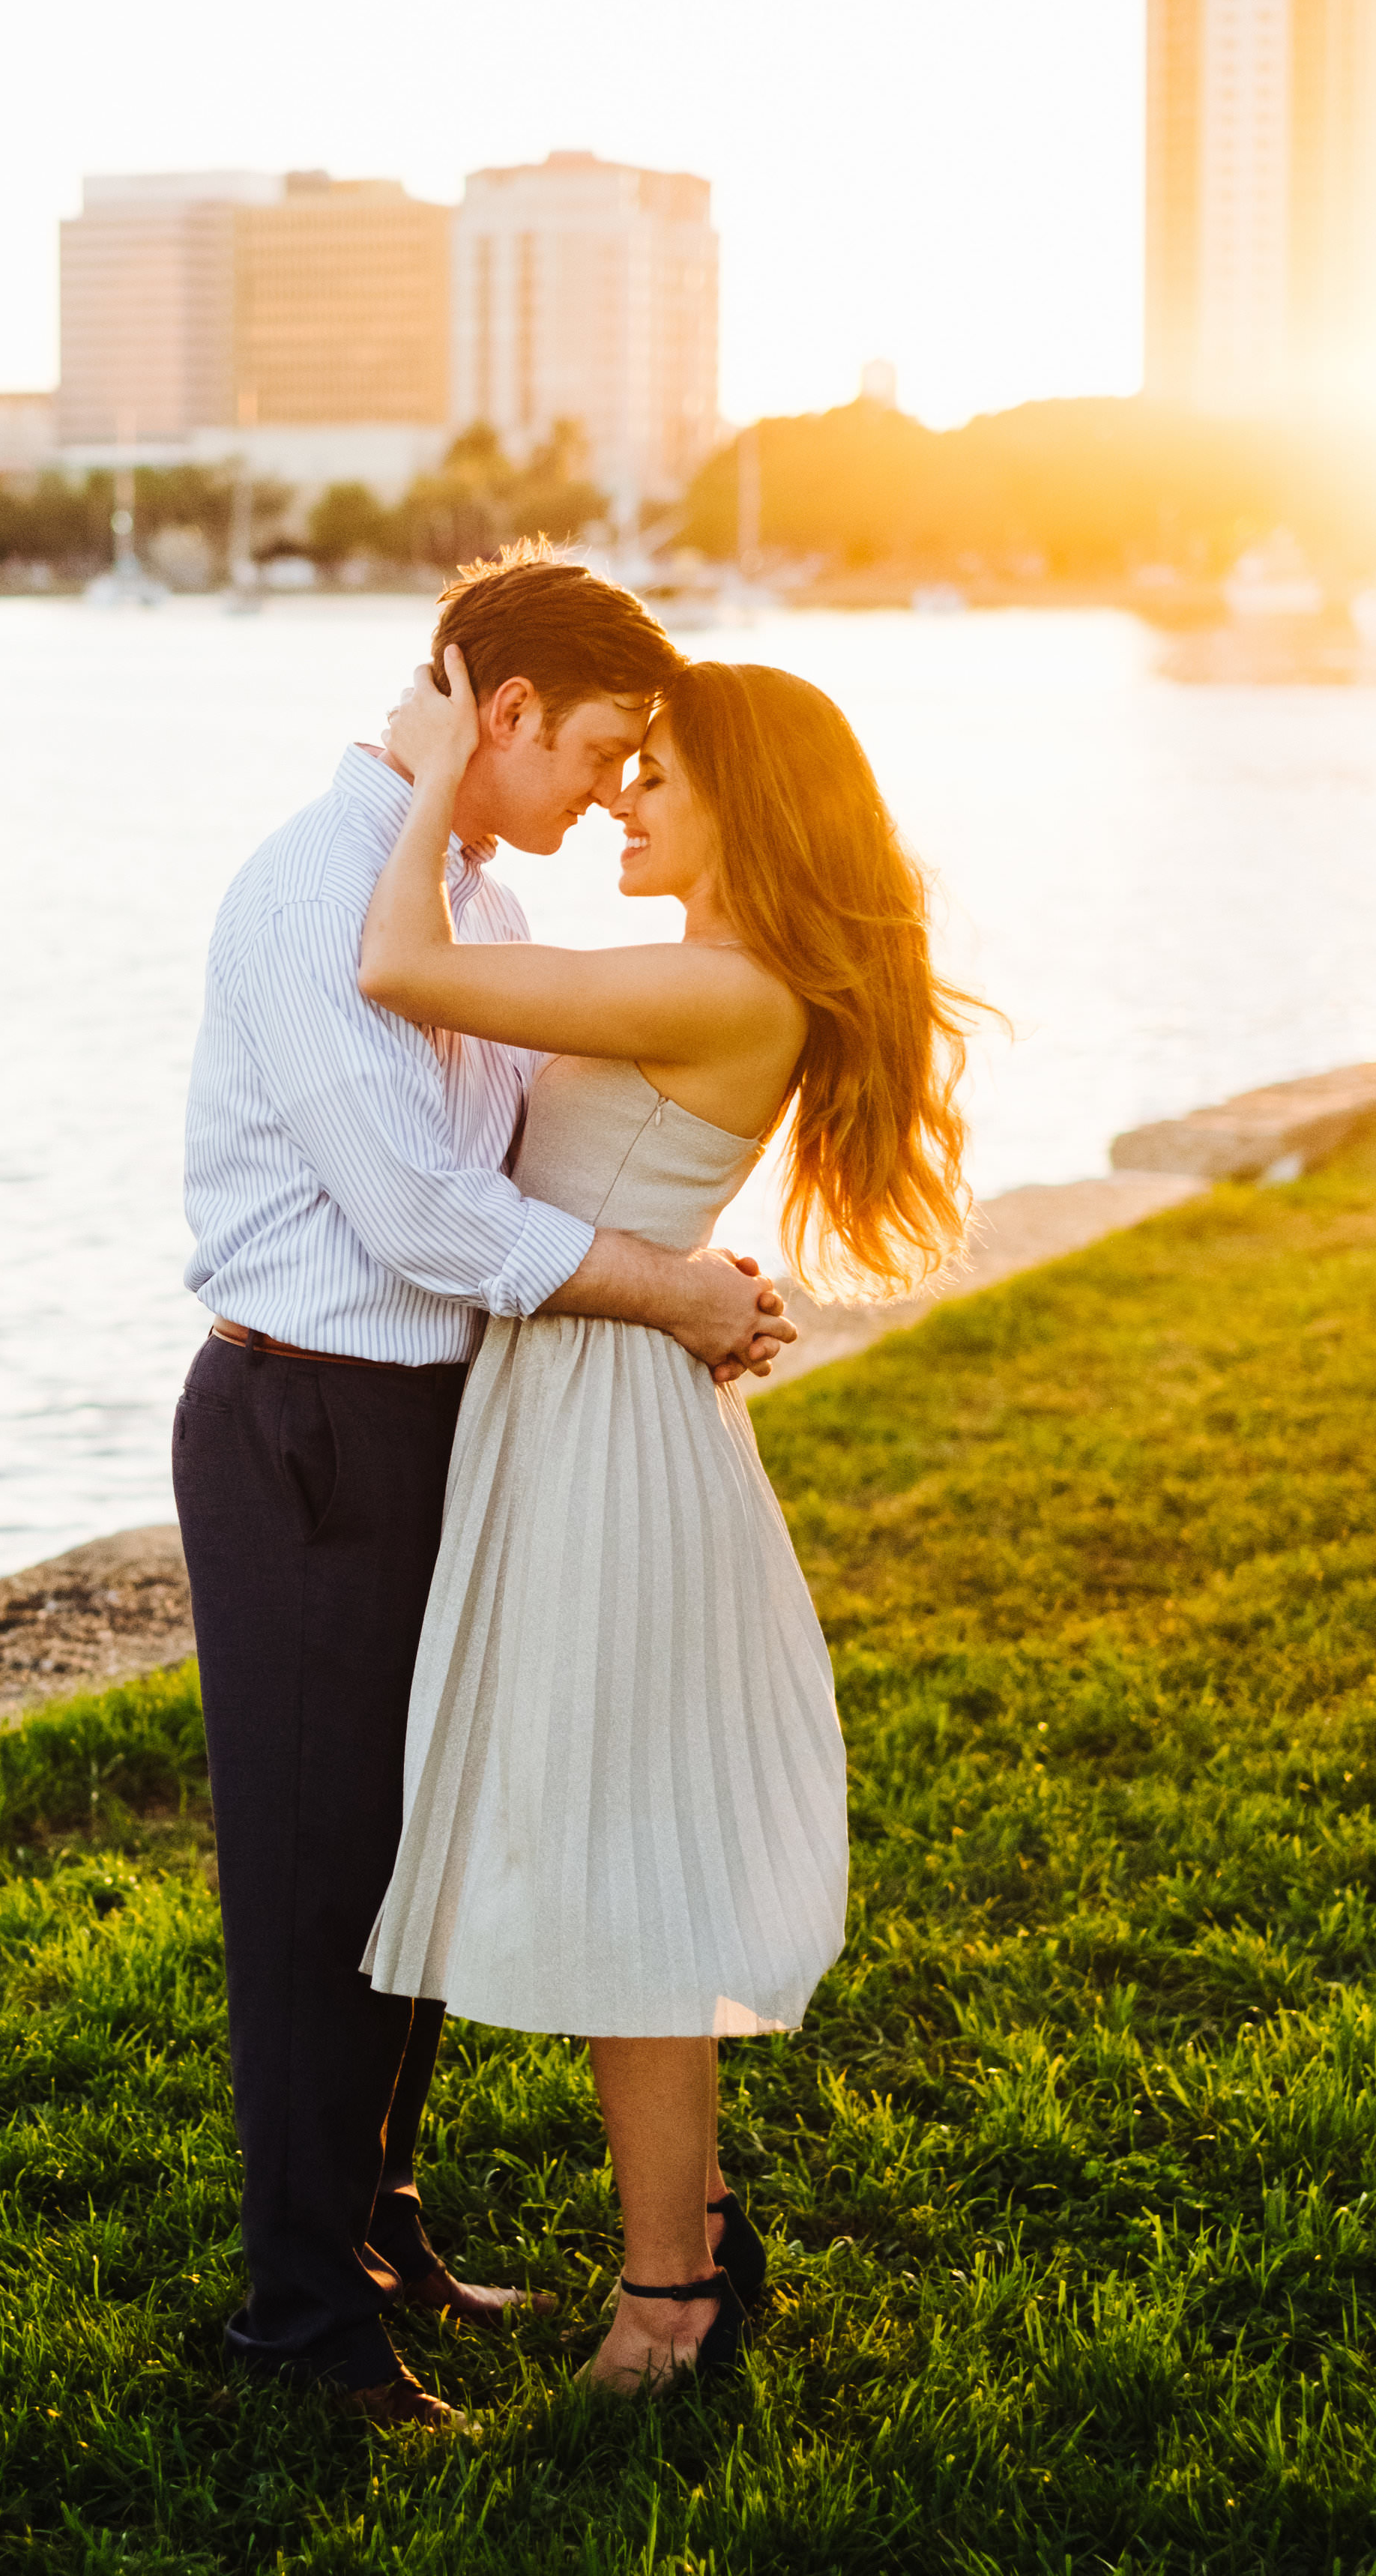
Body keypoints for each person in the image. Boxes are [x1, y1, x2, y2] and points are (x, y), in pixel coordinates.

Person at [172, 547, 797, 2428]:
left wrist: (678, 1255)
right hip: (309, 1429)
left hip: (442, 1426)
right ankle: (305, 2328)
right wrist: (676, 1289)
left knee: (408, 1855)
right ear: (501, 713)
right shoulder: (308, 896)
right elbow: (426, 1215)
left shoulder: (478, 884)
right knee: (312, 1885)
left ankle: (382, 2237)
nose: (618, 789)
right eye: (605, 746)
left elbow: (592, 1116)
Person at [362, 646, 979, 2395]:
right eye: (623, 768)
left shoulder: (715, 982)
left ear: (741, 812)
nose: (625, 798)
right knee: (607, 1833)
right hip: (596, 1410)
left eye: (659, 777)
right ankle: (694, 2235)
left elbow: (402, 963)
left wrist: (423, 775)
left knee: (625, 1864)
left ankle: (669, 2304)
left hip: (603, 1432)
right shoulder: (720, 980)